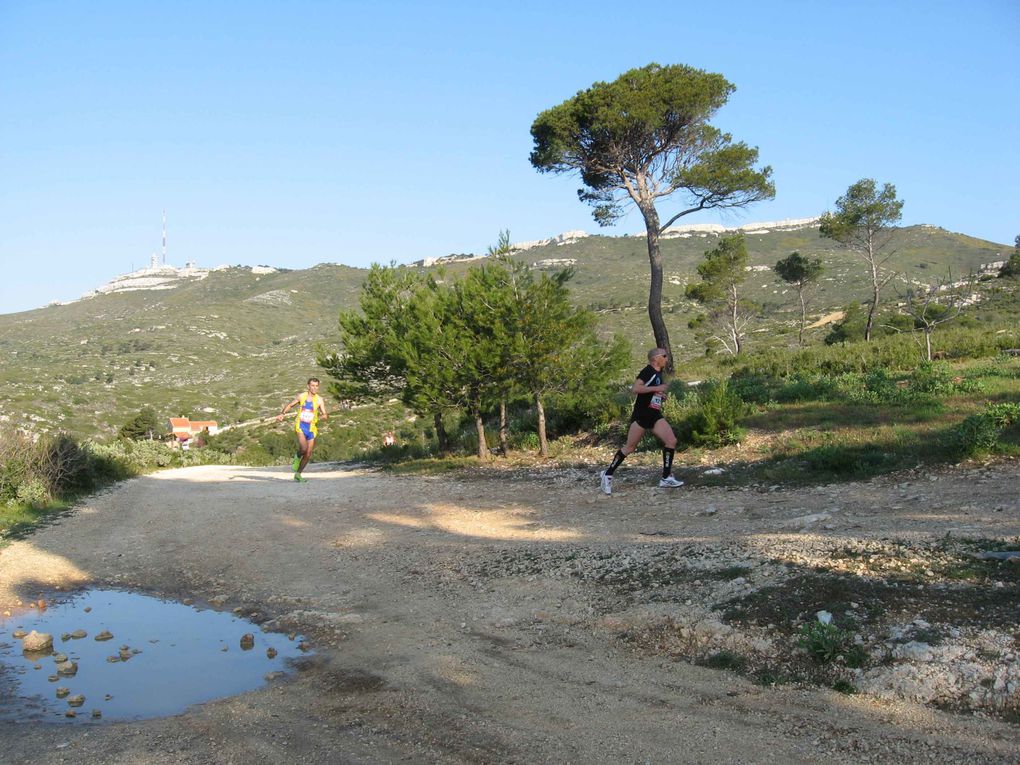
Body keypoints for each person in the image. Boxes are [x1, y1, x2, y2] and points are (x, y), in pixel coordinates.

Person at [599, 348, 685, 495]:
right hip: (642, 415)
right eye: (664, 356)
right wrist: (657, 388)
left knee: (671, 441)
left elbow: (650, 391)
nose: (667, 358)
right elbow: (635, 388)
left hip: (654, 414)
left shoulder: (658, 373)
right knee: (630, 448)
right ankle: (607, 475)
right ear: (655, 359)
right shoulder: (648, 371)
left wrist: (660, 395)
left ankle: (665, 478)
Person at [277, 378, 328, 482]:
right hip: (300, 426)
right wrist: (282, 414)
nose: (314, 388)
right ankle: (297, 456)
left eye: (316, 386)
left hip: (312, 428)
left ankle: (298, 474)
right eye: (312, 385)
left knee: (308, 453)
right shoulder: (302, 396)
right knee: (303, 448)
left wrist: (324, 416)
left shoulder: (319, 400)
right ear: (308, 386)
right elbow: (290, 405)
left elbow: (324, 414)